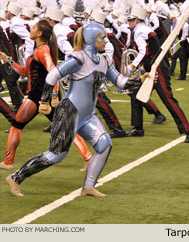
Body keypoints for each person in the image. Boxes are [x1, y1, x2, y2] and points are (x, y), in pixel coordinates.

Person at [5, 22, 142, 197]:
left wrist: (140, 80)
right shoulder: (79, 58)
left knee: (105, 144)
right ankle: (16, 177)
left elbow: (121, 82)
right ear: (91, 40)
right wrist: (45, 100)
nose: (106, 41)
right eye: (102, 38)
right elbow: (53, 75)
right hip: (69, 112)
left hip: (88, 115)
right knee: (56, 155)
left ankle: (88, 187)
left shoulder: (105, 60)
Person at [0, 19, 92, 171]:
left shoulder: (42, 50)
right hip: (42, 97)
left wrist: (53, 96)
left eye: (34, 27)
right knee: (65, 128)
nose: (31, 29)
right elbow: (25, 72)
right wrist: (8, 60)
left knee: (16, 126)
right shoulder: (39, 49)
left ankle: (8, 162)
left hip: (38, 96)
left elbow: (53, 72)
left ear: (39, 33)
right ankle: (88, 157)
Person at [127, 6, 189, 142]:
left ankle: (188, 130)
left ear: (136, 20)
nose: (128, 23)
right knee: (135, 95)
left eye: (130, 20)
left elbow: (142, 52)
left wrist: (132, 66)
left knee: (167, 98)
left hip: (156, 69)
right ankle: (138, 128)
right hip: (151, 68)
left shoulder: (140, 31)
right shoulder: (144, 29)